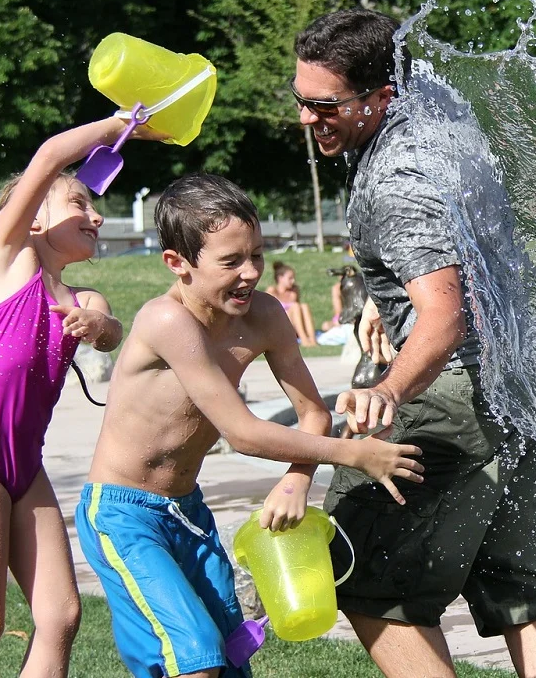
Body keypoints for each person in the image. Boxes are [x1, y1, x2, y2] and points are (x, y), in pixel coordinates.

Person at [293, 9, 536, 678]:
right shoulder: (444, 121)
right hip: (519, 390)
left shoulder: (394, 179)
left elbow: (444, 315)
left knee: (363, 578)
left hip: (446, 395)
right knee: (521, 593)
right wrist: (378, 301)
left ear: (379, 97)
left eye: (324, 104)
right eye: (301, 100)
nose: (309, 117)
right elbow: (460, 257)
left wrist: (390, 386)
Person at [74, 173, 423, 678]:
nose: (250, 272)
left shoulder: (265, 316)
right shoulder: (167, 321)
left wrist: (297, 477)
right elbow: (242, 432)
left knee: (232, 653)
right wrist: (356, 454)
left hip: (187, 511)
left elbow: (313, 412)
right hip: (124, 515)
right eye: (231, 261)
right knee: (194, 654)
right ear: (178, 263)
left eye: (256, 255)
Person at [0, 118, 145, 676]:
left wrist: (100, 328)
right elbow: (49, 156)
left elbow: (111, 327)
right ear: (36, 215)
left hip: (25, 465)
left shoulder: (81, 295)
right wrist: (123, 125)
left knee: (61, 615)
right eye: (80, 203)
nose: (97, 216)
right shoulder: (7, 259)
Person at [265, 260, 317, 346]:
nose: (293, 281)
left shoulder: (294, 291)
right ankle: (304, 340)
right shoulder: (272, 291)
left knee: (304, 306)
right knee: (295, 306)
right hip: (279, 325)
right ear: (280, 278)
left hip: (294, 326)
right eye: (290, 278)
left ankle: (312, 339)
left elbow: (300, 314)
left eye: (293, 278)